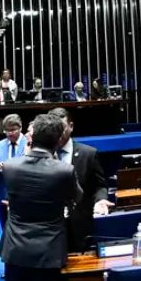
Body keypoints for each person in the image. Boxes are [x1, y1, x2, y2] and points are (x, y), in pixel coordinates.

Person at [0, 113, 81, 281]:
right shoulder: (64, 170)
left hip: (15, 246)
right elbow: (76, 196)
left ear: (32, 137)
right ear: (58, 140)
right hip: (48, 249)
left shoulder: (10, 166)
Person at [47, 107, 111, 252]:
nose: (57, 132)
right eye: (53, 128)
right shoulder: (43, 155)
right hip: (51, 228)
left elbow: (100, 185)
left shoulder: (88, 154)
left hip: (80, 224)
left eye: (61, 127)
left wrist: (100, 200)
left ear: (71, 126)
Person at [0, 114, 25, 227]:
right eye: (7, 130)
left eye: (13, 130)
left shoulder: (29, 144)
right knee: (5, 229)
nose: (10, 133)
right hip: (3, 195)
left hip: (23, 195)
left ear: (20, 127)